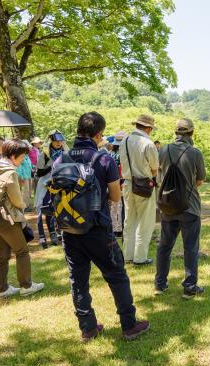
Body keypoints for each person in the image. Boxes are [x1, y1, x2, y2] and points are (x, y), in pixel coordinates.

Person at [54, 111, 149, 342]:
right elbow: (116, 198)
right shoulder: (103, 159)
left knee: (78, 280)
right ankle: (129, 325)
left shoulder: (60, 159)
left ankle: (87, 328)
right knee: (116, 276)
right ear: (99, 134)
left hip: (69, 229)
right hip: (98, 229)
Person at [0, 139, 45, 298]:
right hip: (5, 217)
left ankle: (1, 289)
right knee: (22, 250)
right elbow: (17, 201)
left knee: (2, 254)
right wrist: (24, 205)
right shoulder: (10, 173)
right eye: (23, 156)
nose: (24, 159)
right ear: (13, 155)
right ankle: (26, 286)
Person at [155, 118, 206, 299]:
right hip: (189, 206)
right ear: (191, 133)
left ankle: (160, 284)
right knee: (190, 247)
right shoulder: (195, 153)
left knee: (164, 246)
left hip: (168, 206)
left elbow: (159, 177)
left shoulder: (163, 150)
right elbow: (199, 181)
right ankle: (189, 286)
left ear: (175, 132)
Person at [119, 114, 159, 266]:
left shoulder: (125, 140)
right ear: (148, 128)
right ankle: (140, 258)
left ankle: (127, 255)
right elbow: (155, 168)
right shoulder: (148, 143)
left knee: (129, 220)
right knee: (145, 221)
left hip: (128, 183)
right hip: (144, 185)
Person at [35, 130, 68, 248]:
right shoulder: (44, 153)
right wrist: (52, 166)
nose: (58, 143)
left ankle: (58, 232)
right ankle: (47, 235)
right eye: (56, 141)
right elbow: (39, 172)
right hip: (45, 184)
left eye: (60, 141)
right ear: (51, 141)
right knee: (44, 209)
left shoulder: (65, 152)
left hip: (59, 184)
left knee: (59, 208)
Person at [109, 132, 126, 237]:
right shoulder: (122, 154)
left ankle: (114, 228)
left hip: (111, 181)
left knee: (114, 206)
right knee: (120, 206)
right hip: (121, 181)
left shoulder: (110, 154)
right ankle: (119, 229)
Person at [16, 141, 33, 212]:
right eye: (28, 147)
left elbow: (28, 165)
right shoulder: (20, 155)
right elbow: (19, 167)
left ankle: (27, 205)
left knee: (28, 191)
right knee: (24, 192)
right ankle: (24, 207)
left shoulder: (26, 156)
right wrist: (21, 177)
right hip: (23, 177)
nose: (29, 148)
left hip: (28, 176)